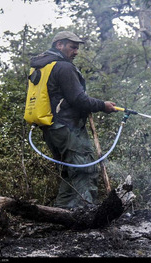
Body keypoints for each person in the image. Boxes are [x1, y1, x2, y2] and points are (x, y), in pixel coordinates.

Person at [28, 31, 117, 209]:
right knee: (85, 170)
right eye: (72, 47)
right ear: (59, 45)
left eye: (77, 48)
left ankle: (62, 215)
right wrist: (103, 105)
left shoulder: (41, 67)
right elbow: (78, 99)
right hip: (68, 127)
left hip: (51, 129)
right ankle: (83, 213)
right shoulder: (63, 67)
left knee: (69, 172)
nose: (76, 51)